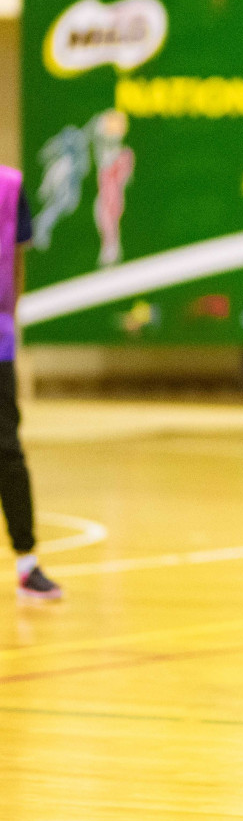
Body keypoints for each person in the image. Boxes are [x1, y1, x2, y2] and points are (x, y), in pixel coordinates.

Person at [0, 165, 64, 600]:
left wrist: (11, 322)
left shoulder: (9, 186)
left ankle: (27, 564)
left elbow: (17, 261)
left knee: (7, 449)